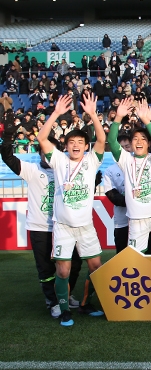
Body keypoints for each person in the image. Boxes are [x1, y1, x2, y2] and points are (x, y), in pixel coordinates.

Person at [37, 92, 106, 327]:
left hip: (85, 226)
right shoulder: (58, 160)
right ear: (66, 146)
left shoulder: (91, 160)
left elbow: (101, 139)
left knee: (96, 267)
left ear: (85, 147)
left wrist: (93, 115)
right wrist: (56, 113)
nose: (76, 146)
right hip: (63, 226)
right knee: (63, 271)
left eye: (80, 143)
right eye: (71, 143)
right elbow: (42, 137)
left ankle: (86, 303)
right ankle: (64, 309)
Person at [0, 127, 83, 318]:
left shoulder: (68, 169)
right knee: (46, 268)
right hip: (40, 228)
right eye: (44, 152)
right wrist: (7, 137)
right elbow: (8, 158)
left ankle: (66, 294)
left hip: (66, 226)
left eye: (52, 152)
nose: (48, 155)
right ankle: (52, 301)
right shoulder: (31, 170)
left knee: (75, 264)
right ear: (39, 154)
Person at [109, 97, 151, 254]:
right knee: (137, 258)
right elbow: (112, 141)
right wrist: (118, 117)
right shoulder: (126, 160)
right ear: (131, 144)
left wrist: (147, 121)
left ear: (148, 143)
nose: (139, 141)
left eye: (143, 139)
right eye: (135, 139)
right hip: (135, 219)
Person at [102, 133, 132, 253]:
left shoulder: (141, 165)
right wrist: (133, 201)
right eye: (121, 147)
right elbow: (111, 194)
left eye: (127, 146)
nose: (125, 150)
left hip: (142, 219)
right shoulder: (110, 171)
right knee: (122, 253)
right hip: (121, 220)